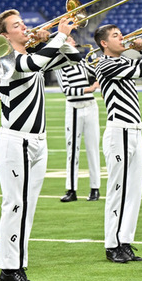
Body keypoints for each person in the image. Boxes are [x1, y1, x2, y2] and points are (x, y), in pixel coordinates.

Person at [0, 9, 76, 281]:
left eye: (23, 23)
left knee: (27, 207)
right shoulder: (7, 60)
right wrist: (58, 36)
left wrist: (58, 40)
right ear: (5, 36)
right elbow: (33, 62)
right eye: (17, 25)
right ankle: (9, 268)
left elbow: (73, 59)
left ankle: (17, 264)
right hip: (16, 140)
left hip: (37, 140)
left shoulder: (31, 56)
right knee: (15, 205)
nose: (25, 27)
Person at [93, 23, 142, 263]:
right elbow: (140, 70)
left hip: (134, 130)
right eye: (116, 36)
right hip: (119, 130)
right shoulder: (105, 64)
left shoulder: (124, 60)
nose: (122, 38)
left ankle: (124, 241)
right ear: (104, 43)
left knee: (134, 190)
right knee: (118, 190)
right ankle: (112, 245)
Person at [55, 36, 101, 202]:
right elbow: (67, 90)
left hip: (90, 106)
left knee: (93, 148)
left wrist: (96, 63)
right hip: (74, 108)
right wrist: (89, 89)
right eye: (69, 40)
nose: (73, 42)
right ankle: (71, 189)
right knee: (72, 150)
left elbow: (96, 72)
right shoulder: (59, 65)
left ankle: (95, 188)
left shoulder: (81, 61)